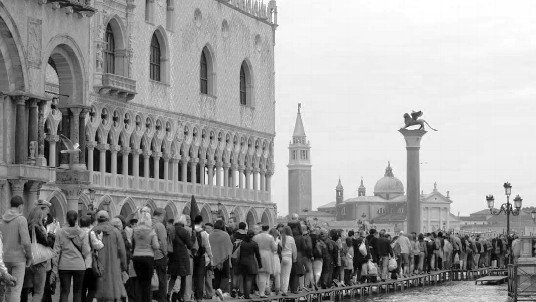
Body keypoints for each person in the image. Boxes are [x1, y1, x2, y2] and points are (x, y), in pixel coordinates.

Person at [0, 196, 33, 302]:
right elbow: (26, 242)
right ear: (21, 206)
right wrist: (29, 257)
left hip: (4, 258)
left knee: (7, 289)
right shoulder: (21, 219)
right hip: (18, 259)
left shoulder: (2, 220)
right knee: (15, 290)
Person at [52, 210, 90, 302]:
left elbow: (56, 251)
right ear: (77, 219)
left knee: (64, 291)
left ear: (66, 219)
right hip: (79, 265)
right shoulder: (82, 233)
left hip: (64, 265)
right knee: (77, 292)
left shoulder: (60, 232)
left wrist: (55, 268)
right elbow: (86, 251)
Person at [92, 211, 128, 302]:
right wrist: (124, 266)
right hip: (114, 265)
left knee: (98, 291)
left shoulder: (92, 231)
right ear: (108, 219)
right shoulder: (116, 232)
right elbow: (122, 251)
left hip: (96, 266)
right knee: (113, 291)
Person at [20, 207, 51, 302]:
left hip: (27, 260)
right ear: (39, 216)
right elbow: (46, 242)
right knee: (38, 291)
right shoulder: (37, 227)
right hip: (39, 260)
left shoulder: (26, 226)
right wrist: (50, 236)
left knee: (25, 289)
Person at [131, 211, 159, 302]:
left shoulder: (135, 231)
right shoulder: (151, 231)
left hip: (136, 257)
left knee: (139, 281)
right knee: (147, 283)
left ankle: (138, 300)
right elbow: (155, 246)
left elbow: (133, 244)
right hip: (148, 257)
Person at [168, 215, 193, 302]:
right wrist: (193, 238)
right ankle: (181, 296)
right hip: (182, 256)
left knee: (173, 276)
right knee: (183, 277)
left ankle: (168, 294)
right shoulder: (184, 231)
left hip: (172, 255)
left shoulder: (171, 229)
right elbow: (190, 245)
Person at [80, 213, 104, 302]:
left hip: (78, 264)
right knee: (92, 288)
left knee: (81, 289)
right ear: (89, 223)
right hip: (89, 264)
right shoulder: (91, 233)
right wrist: (100, 239)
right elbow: (99, 246)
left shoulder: (77, 232)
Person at [253, 225, 277, 298]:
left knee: (258, 274)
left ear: (261, 228)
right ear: (268, 229)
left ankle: (260, 290)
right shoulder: (270, 237)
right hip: (267, 256)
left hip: (256, 255)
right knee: (263, 274)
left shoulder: (256, 237)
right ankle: (262, 293)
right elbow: (275, 248)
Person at [238, 230, 262, 300]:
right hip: (251, 262)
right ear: (253, 236)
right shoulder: (254, 244)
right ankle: (247, 295)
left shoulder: (241, 243)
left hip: (242, 262)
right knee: (248, 280)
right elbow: (258, 255)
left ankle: (241, 293)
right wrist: (260, 264)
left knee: (243, 278)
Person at [151, 208, 168, 302]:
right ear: (161, 215)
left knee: (152, 277)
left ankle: (153, 296)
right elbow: (163, 241)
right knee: (161, 278)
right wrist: (165, 253)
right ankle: (162, 299)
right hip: (159, 255)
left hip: (149, 254)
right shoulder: (159, 225)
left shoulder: (148, 223)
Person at [230, 222, 247, 298]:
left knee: (234, 273)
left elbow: (230, 245)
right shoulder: (246, 236)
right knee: (241, 275)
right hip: (243, 257)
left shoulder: (233, 235)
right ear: (245, 227)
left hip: (234, 256)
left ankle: (233, 289)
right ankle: (241, 292)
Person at [279, 226, 296, 296]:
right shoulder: (291, 238)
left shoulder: (281, 237)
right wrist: (295, 258)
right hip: (289, 257)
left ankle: (281, 288)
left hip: (282, 256)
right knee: (287, 275)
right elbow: (294, 249)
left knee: (281, 274)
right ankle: (285, 290)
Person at [268, 228, 281, 296]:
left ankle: (268, 290)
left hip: (270, 257)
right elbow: (280, 251)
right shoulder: (278, 241)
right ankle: (277, 289)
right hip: (276, 257)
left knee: (270, 275)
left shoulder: (268, 240)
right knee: (277, 274)